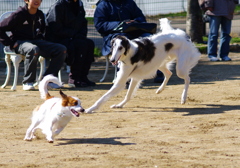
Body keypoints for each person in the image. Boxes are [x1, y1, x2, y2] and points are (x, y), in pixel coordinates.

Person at [0, 0, 67, 91]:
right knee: (33, 49)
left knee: (61, 49)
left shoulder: (40, 15)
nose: (37, 1)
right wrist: (11, 43)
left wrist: (46, 43)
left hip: (36, 42)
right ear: (26, 1)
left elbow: (43, 31)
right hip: (20, 43)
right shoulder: (19, 14)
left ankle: (48, 81)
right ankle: (28, 82)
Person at [94, 0, 164, 83]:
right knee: (124, 42)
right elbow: (100, 25)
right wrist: (120, 24)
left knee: (149, 39)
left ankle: (158, 71)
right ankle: (122, 74)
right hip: (113, 36)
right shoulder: (103, 5)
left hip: (134, 32)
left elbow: (140, 17)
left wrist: (135, 21)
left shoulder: (129, 2)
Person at [46, 0, 96, 88]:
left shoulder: (79, 5)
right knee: (80, 45)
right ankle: (74, 79)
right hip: (58, 39)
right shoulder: (58, 6)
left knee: (89, 43)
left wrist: (80, 35)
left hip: (74, 37)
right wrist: (73, 35)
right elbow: (54, 27)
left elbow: (83, 23)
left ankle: (83, 77)